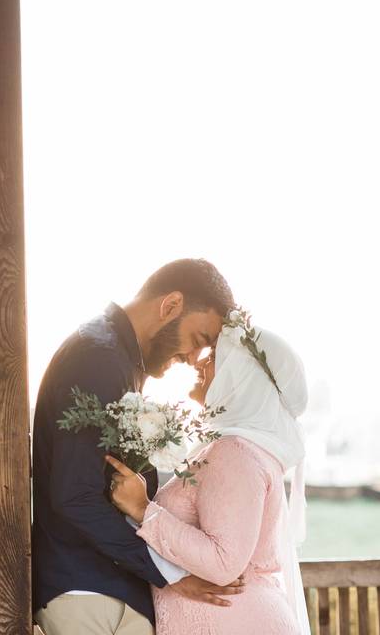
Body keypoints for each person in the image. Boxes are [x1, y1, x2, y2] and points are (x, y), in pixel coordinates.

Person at [32, 259, 244, 635]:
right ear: (171, 305)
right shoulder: (96, 357)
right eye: (199, 340)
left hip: (112, 590)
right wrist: (168, 574)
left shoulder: (121, 359)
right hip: (84, 591)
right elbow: (74, 495)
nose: (193, 360)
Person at [108, 318, 311, 634]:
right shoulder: (236, 447)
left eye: (215, 355)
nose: (200, 362)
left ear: (241, 376)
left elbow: (222, 562)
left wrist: (142, 510)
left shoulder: (235, 452)